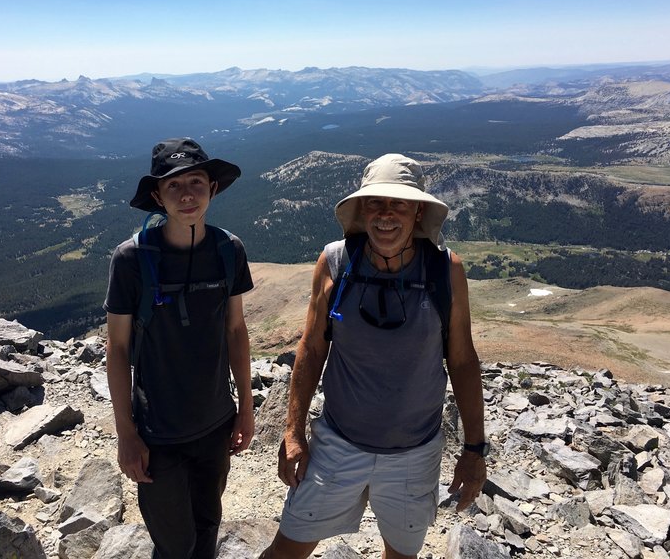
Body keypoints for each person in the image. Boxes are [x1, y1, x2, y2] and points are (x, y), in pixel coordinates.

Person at [260, 153, 487, 559]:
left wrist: (474, 451)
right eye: (375, 203)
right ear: (362, 209)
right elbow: (312, 350)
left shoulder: (444, 270)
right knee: (286, 551)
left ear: (418, 212)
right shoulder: (334, 262)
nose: (386, 214)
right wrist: (293, 433)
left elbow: (463, 362)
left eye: (399, 203)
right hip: (338, 445)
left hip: (415, 455)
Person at [104, 138, 254, 558]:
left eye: (196, 182)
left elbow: (236, 330)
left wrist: (245, 407)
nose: (187, 194)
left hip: (215, 423)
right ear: (157, 196)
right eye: (173, 186)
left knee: (208, 526)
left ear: (213, 188)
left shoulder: (229, 250)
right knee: (174, 543)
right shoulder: (131, 259)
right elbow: (116, 349)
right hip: (158, 432)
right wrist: (126, 434)